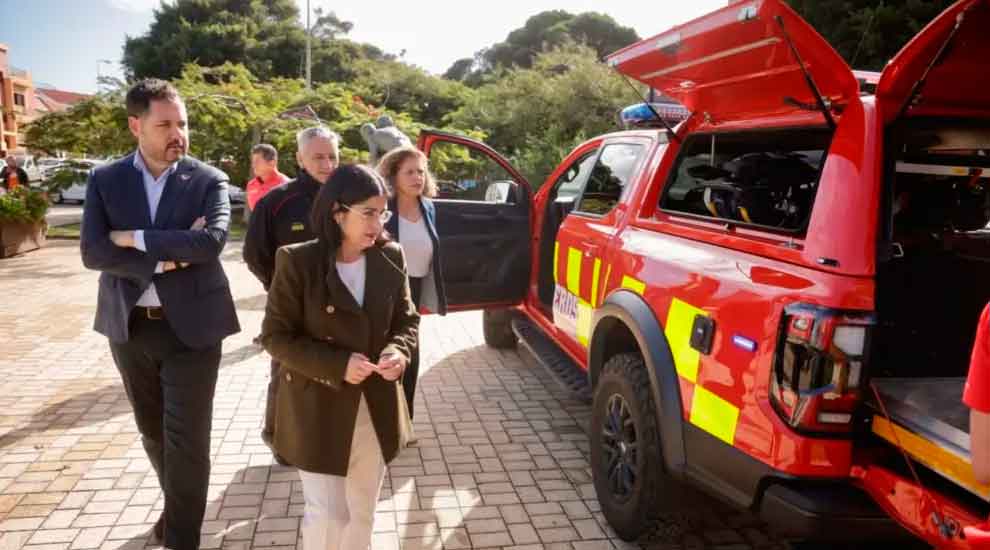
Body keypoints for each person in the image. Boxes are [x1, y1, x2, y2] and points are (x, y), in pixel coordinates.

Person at [79, 79, 240, 550]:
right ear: (136, 125)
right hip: (129, 329)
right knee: (153, 432)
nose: (178, 134)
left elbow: (211, 243)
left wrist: (132, 238)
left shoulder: (208, 179)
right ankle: (177, 511)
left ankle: (182, 538)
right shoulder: (105, 180)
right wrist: (169, 253)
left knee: (186, 442)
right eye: (165, 124)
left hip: (194, 331)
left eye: (182, 123)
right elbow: (92, 251)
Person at [260, 164, 418, 550]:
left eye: (383, 213)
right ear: (337, 212)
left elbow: (407, 321)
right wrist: (338, 364)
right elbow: (275, 338)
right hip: (318, 405)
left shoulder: (391, 256)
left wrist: (398, 351)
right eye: (368, 212)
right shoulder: (297, 261)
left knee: (363, 510)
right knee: (330, 515)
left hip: (374, 402)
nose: (377, 223)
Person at [243, 126, 340, 455]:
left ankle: (325, 436)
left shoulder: (348, 197)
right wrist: (280, 288)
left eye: (331, 156)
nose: (326, 164)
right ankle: (280, 442)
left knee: (335, 368)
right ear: (300, 158)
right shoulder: (276, 202)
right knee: (287, 371)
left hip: (341, 303)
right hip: (292, 306)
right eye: (318, 157)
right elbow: (254, 253)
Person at [378, 146, 447, 420]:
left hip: (414, 289)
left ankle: (405, 418)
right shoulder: (383, 206)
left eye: (421, 171)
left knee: (410, 352)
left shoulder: (428, 207)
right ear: (393, 175)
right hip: (383, 289)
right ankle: (382, 416)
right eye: (409, 172)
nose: (417, 177)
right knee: (384, 352)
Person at [245, 144, 289, 213]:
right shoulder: (251, 185)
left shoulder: (286, 186)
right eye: (253, 161)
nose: (253, 165)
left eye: (257, 161)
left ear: (272, 163)